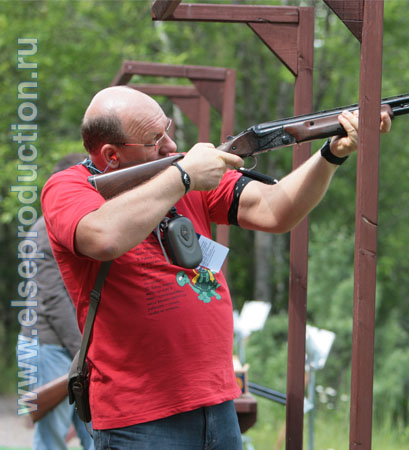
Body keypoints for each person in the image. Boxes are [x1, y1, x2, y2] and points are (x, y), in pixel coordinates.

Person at [41, 85, 391, 449]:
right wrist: (183, 177)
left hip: (218, 402)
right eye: (154, 140)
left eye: (167, 129)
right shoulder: (69, 187)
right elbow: (103, 237)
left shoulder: (182, 174)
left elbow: (275, 210)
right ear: (111, 155)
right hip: (140, 418)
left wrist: (330, 154)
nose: (171, 146)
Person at [17, 154, 94, 450]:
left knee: (94, 435)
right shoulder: (43, 231)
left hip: (70, 348)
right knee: (51, 441)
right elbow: (52, 300)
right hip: (51, 346)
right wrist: (84, 352)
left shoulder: (67, 226)